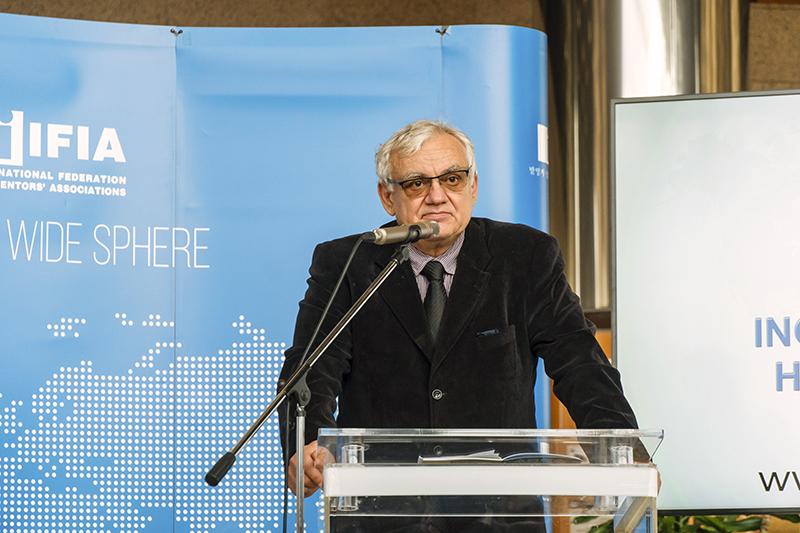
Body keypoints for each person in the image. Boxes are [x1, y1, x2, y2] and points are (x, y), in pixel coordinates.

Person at [278, 120, 637, 530]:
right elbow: (310, 369)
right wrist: (307, 443)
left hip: (497, 517)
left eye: (452, 178)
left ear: (473, 186)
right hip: (380, 515)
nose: (437, 196)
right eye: (416, 183)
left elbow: (579, 360)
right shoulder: (347, 263)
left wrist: (620, 446)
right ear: (387, 197)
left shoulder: (524, 256)